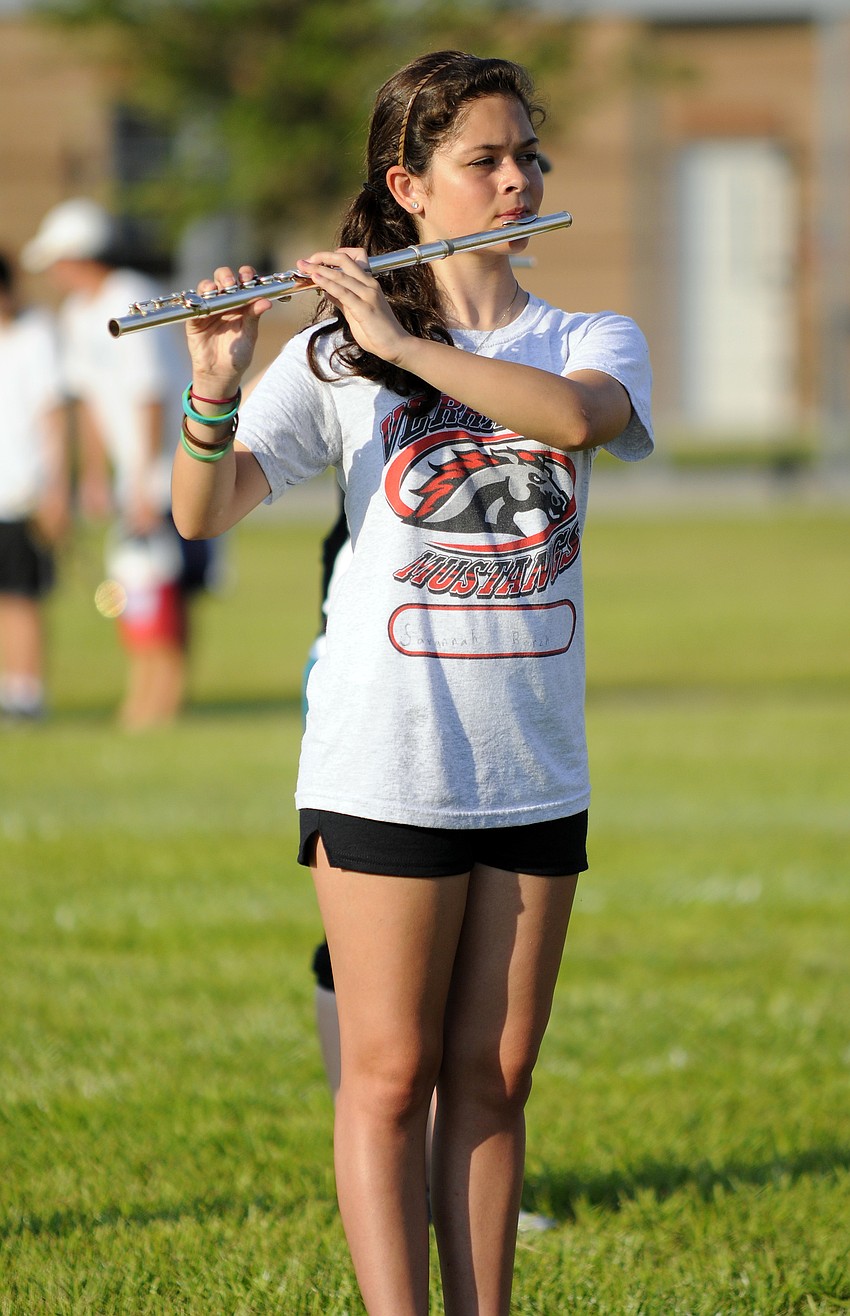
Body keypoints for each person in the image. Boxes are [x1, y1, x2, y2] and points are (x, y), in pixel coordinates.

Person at [171, 50, 654, 1316]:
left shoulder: (587, 336)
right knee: (387, 1075)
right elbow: (200, 508)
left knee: (496, 1078)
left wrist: (400, 340)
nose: (517, 179)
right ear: (411, 185)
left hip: (530, 758)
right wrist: (214, 383)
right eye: (484, 161)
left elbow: (569, 421)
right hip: (386, 754)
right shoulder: (334, 360)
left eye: (526, 155)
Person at [21, 198, 218, 730]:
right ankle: (148, 692)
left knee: (160, 583)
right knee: (139, 582)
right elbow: (86, 399)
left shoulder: (129, 297)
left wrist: (139, 480)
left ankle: (162, 697)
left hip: (167, 469)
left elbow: (150, 393)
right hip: (135, 477)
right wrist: (93, 475)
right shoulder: (75, 315)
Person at [0, 253, 68, 721]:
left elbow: (52, 416)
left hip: (22, 491)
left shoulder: (34, 337)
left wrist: (56, 488)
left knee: (21, 596)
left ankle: (26, 692)